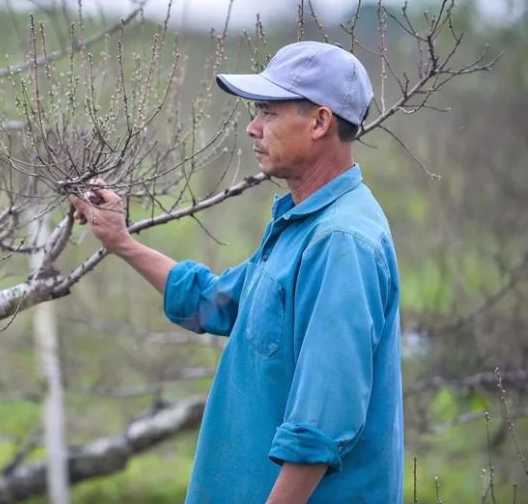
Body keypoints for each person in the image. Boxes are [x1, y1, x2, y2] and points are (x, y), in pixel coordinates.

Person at [69, 41, 403, 503]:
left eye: (267, 112)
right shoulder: (302, 225)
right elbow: (214, 302)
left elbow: (320, 428)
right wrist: (121, 242)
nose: (252, 128)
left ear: (320, 122)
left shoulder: (341, 242)